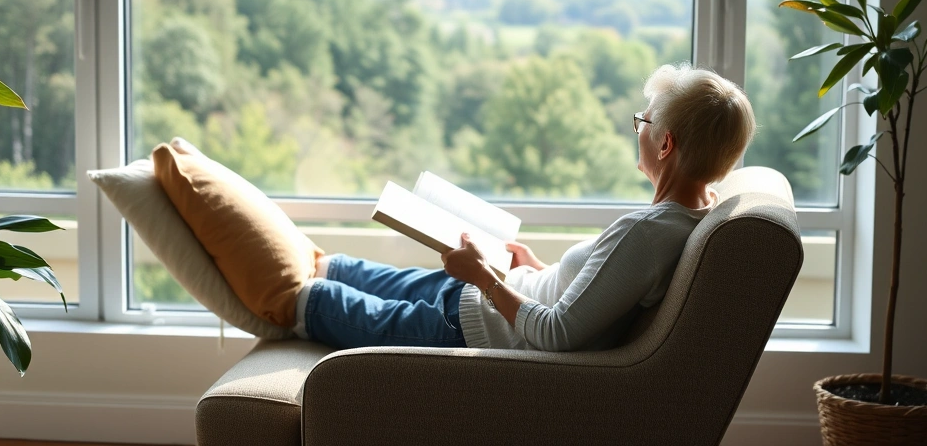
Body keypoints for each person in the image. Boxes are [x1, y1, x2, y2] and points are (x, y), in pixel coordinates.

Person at [291, 63, 756, 351]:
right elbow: (595, 292)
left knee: (309, 299)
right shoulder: (696, 209)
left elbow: (559, 333)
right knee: (338, 269)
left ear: (665, 143)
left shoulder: (650, 232)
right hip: (490, 294)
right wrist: (536, 267)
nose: (638, 129)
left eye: (644, 121)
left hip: (472, 326)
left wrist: (482, 277)